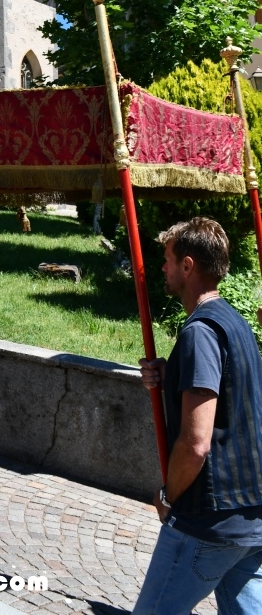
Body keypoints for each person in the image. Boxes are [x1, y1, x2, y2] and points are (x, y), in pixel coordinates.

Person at [135, 217, 262, 615]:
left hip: (209, 519)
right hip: (253, 516)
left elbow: (196, 442)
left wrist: (169, 496)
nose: (162, 268)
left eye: (168, 260)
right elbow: (233, 397)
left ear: (188, 266)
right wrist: (171, 375)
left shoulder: (200, 332)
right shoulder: (235, 322)